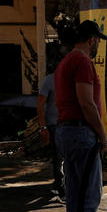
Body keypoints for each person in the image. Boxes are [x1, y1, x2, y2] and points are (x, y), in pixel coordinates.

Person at [54, 20, 107, 212]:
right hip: (80, 132)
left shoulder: (65, 62)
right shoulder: (83, 62)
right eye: (97, 40)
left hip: (66, 131)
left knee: (75, 195)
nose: (97, 44)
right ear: (92, 39)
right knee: (90, 194)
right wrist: (102, 134)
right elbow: (87, 104)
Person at [37, 69, 64, 200]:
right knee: (58, 155)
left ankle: (62, 185)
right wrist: (43, 126)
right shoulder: (49, 80)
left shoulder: (74, 79)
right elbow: (40, 104)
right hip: (54, 123)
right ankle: (59, 186)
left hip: (70, 123)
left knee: (65, 155)